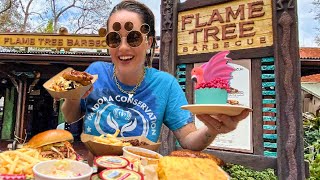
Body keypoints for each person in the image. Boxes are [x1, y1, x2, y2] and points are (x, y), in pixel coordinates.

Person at [61, 0, 250, 151]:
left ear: (149, 42)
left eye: (134, 37)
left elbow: (189, 140)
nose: (123, 47)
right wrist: (73, 97)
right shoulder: (95, 71)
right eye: (114, 38)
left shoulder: (166, 85)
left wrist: (212, 129)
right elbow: (70, 117)